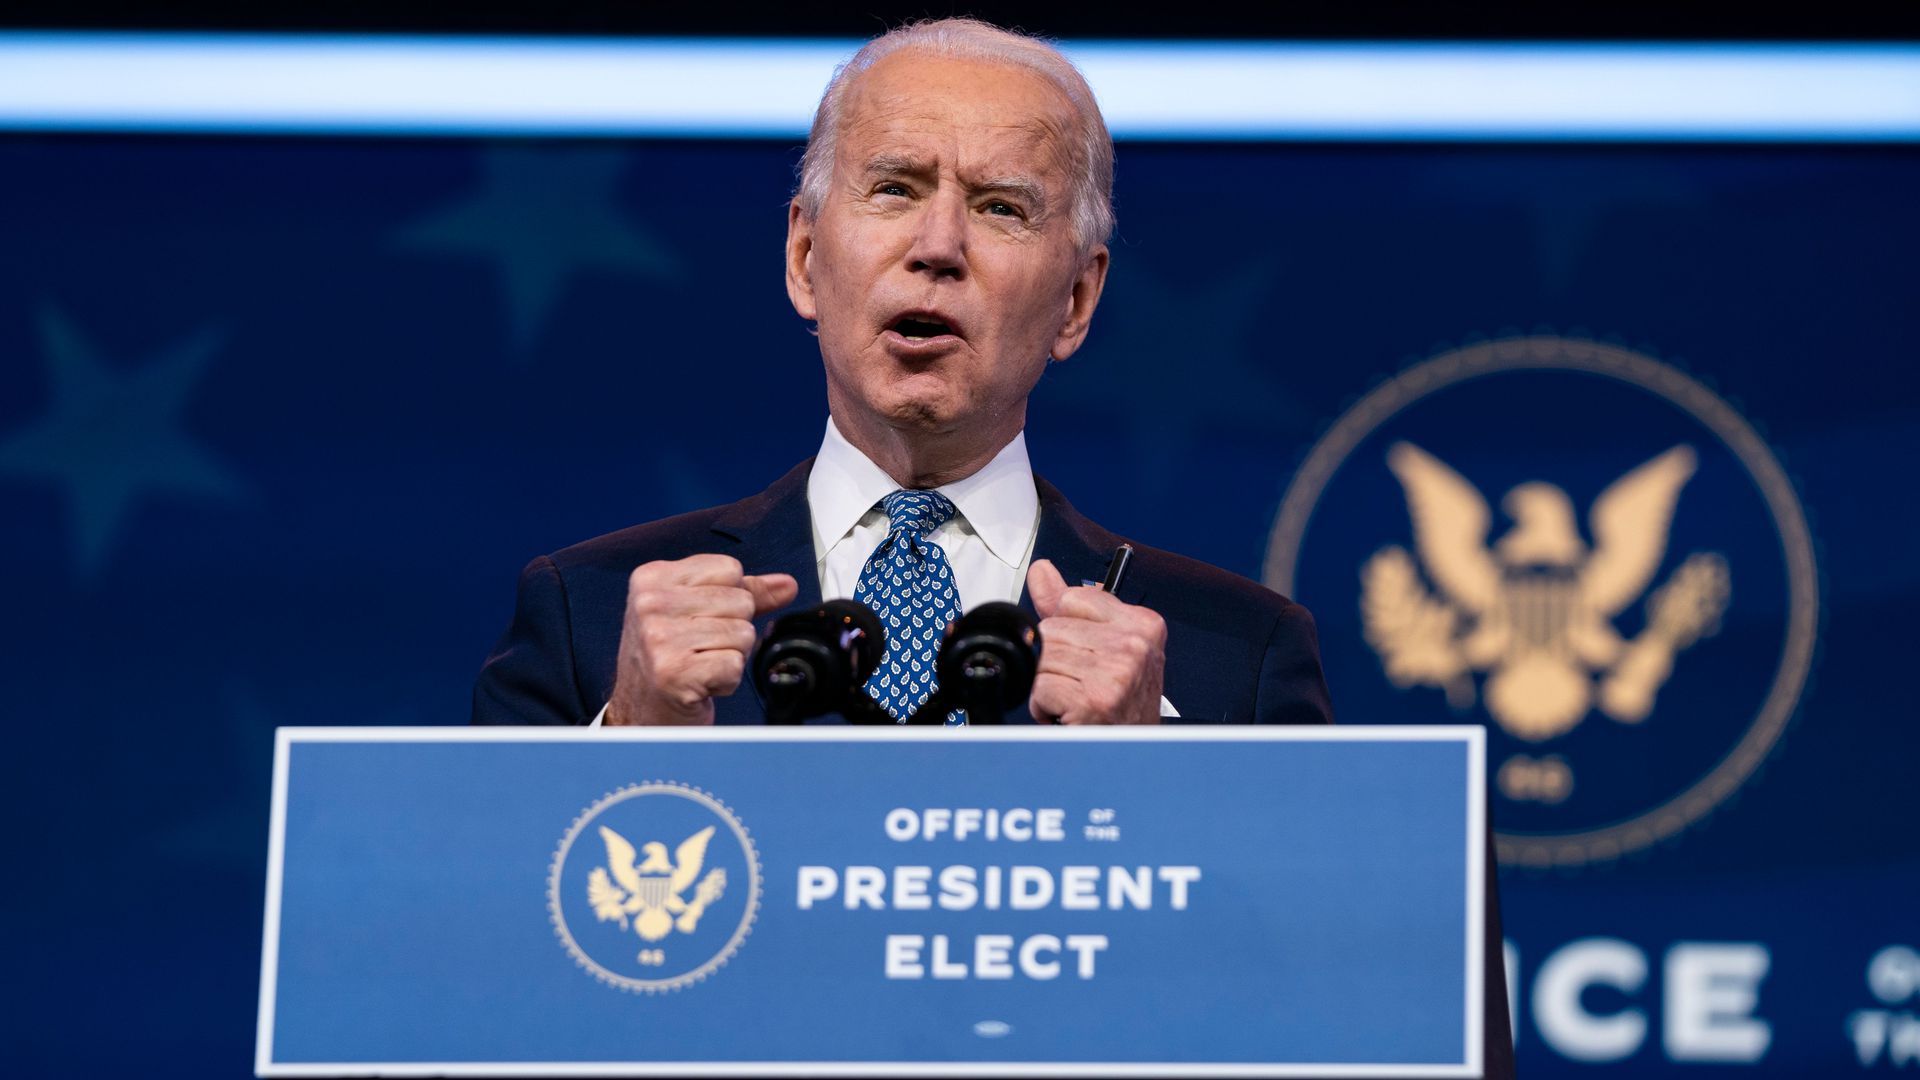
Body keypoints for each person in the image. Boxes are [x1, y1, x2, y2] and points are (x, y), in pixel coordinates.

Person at [472, 18, 1511, 1075]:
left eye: (1002, 207)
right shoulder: (593, 618)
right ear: (802, 257)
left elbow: (1352, 1025)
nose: (937, 246)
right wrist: (620, 766)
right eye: (892, 189)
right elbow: (448, 997)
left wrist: (1168, 794)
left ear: (1076, 300)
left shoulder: (1231, 657)